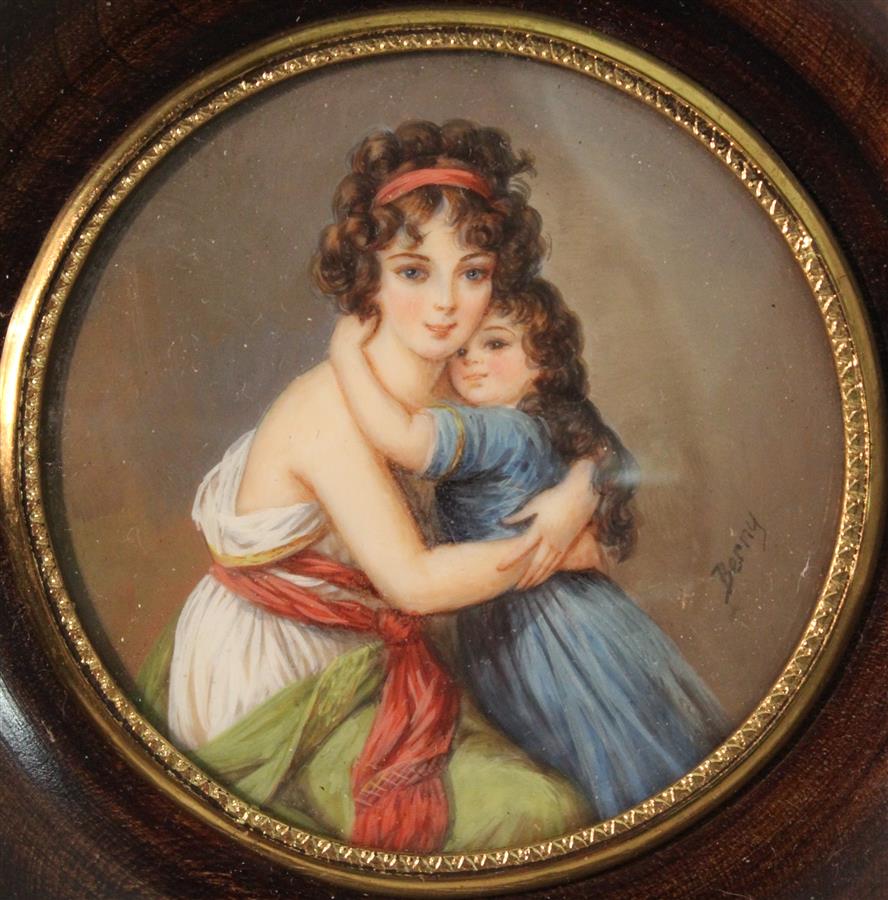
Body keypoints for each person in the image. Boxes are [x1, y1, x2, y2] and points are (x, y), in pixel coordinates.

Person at [137, 120, 606, 853]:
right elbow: (413, 583)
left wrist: (580, 487)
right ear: (370, 277)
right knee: (539, 810)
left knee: (576, 750)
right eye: (415, 272)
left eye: (473, 272)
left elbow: (572, 435)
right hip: (280, 678)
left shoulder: (458, 395)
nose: (447, 303)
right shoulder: (328, 408)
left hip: (368, 658)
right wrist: (557, 544)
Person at [330, 277, 731, 820]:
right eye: (461, 351)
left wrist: (345, 356)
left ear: (542, 363)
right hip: (562, 623)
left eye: (495, 344)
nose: (472, 361)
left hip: (553, 636)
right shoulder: (549, 432)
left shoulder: (502, 430)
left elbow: (403, 439)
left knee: (613, 771)